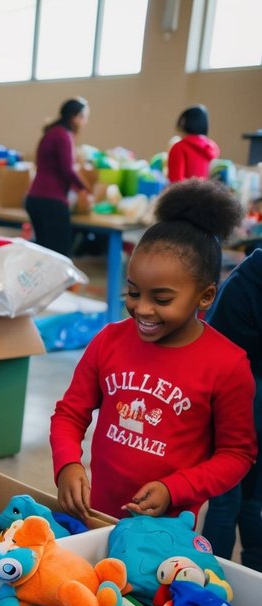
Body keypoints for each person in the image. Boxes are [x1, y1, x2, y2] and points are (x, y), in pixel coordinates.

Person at [51, 179, 256, 521]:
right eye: (133, 292)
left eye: (162, 299)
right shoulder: (109, 341)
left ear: (205, 296)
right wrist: (68, 463)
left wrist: (175, 488)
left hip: (167, 534)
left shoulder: (228, 365)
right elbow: (70, 414)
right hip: (96, 516)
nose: (143, 309)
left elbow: (237, 454)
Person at [201, 248, 262, 569]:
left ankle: (217, 582)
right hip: (237, 406)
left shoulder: (242, 281)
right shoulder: (244, 283)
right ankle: (222, 579)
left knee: (237, 502)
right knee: (240, 501)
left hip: (236, 403)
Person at [24, 98, 93, 256]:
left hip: (35, 198)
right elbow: (68, 169)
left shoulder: (51, 132)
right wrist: (86, 189)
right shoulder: (64, 135)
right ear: (76, 117)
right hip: (51, 200)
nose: (85, 122)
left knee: (44, 252)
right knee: (60, 254)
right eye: (85, 117)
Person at [168, 104, 219, 183]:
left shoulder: (179, 148)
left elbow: (176, 182)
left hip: (186, 194)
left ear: (183, 123)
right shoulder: (212, 148)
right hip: (207, 194)